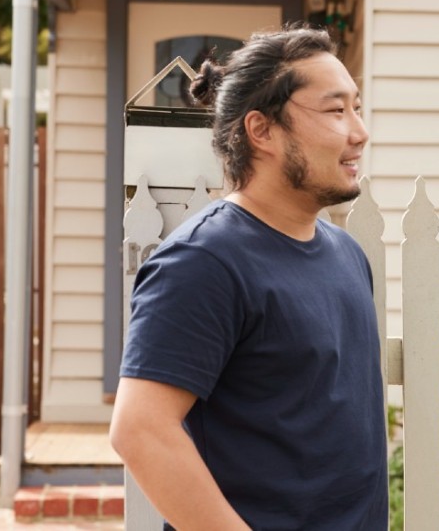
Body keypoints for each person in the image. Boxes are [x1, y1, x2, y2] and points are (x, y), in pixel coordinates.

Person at [110, 26, 387, 530]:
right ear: (262, 131)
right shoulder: (204, 261)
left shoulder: (347, 255)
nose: (359, 131)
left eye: (357, 107)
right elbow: (140, 429)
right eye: (335, 110)